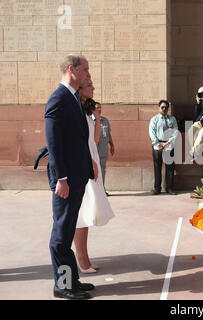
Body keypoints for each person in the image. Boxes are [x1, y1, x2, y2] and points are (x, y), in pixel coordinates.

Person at [45, 54, 95, 300]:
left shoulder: (73, 97)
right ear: (72, 70)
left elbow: (78, 140)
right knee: (61, 235)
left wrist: (87, 168)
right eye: (85, 69)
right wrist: (61, 178)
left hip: (77, 177)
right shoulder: (58, 99)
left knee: (67, 230)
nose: (87, 74)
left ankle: (72, 281)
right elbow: (53, 144)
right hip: (65, 180)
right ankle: (63, 285)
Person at [74, 81, 115, 274]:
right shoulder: (74, 110)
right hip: (84, 163)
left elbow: (95, 140)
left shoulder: (89, 112)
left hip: (92, 160)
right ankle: (81, 260)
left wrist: (97, 118)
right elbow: (77, 141)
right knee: (81, 213)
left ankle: (85, 259)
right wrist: (89, 161)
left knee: (88, 212)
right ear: (80, 90)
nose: (93, 88)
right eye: (89, 85)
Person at [149, 100, 179, 195]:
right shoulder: (154, 119)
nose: (164, 109)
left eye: (166, 107)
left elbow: (175, 132)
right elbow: (152, 132)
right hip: (157, 145)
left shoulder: (172, 119)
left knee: (170, 167)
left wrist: (167, 143)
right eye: (162, 107)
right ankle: (157, 188)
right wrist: (158, 144)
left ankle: (169, 188)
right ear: (159, 108)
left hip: (169, 144)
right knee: (157, 167)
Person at [94, 102, 115, 195]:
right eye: (97, 108)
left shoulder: (105, 120)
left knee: (102, 168)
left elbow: (108, 133)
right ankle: (94, 191)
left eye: (100, 108)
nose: (99, 109)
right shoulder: (90, 120)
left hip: (103, 148)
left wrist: (112, 145)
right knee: (93, 169)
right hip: (94, 148)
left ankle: (102, 189)